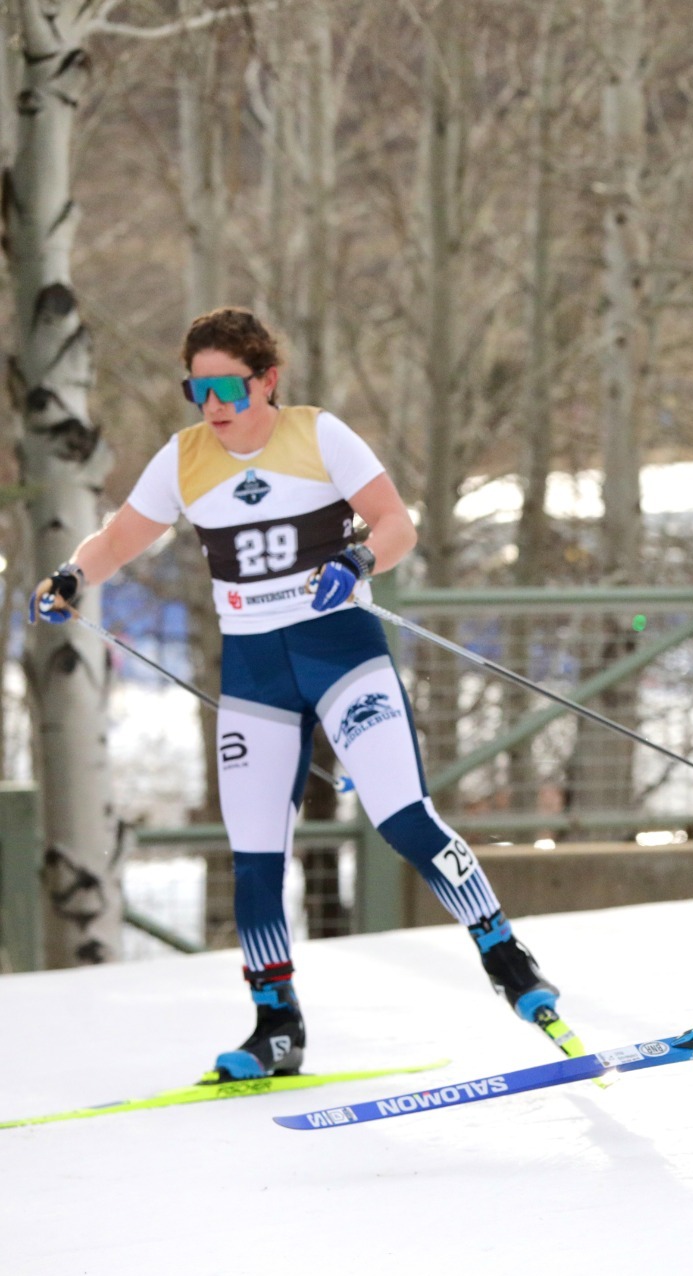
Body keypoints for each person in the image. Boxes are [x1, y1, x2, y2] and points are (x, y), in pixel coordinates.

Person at [30, 308, 580, 1080]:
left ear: (267, 380)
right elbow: (120, 537)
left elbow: (396, 523)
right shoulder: (185, 457)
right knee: (255, 854)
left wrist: (358, 562)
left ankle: (506, 955)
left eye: (228, 385)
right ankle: (275, 1023)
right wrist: (73, 575)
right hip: (256, 673)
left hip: (341, 654)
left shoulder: (318, 435)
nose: (213, 403)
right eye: (198, 388)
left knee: (404, 820)